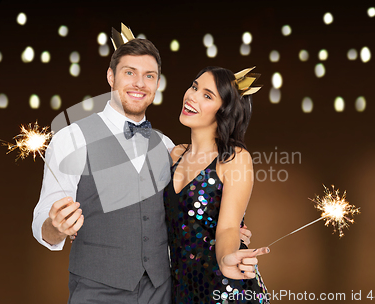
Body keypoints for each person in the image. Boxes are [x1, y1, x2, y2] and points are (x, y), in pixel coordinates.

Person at [32, 24, 255, 304]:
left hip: (162, 293)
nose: (139, 83)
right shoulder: (71, 138)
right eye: (129, 73)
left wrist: (230, 238)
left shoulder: (168, 148)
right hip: (96, 293)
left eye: (149, 76)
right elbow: (44, 214)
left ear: (157, 84)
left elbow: (191, 210)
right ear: (111, 76)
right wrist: (55, 227)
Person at [164, 66, 270, 303]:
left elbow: (228, 228)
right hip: (182, 291)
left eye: (207, 95)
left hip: (226, 290)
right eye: (194, 86)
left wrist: (226, 259)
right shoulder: (173, 155)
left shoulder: (234, 158)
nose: (192, 96)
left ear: (223, 111)